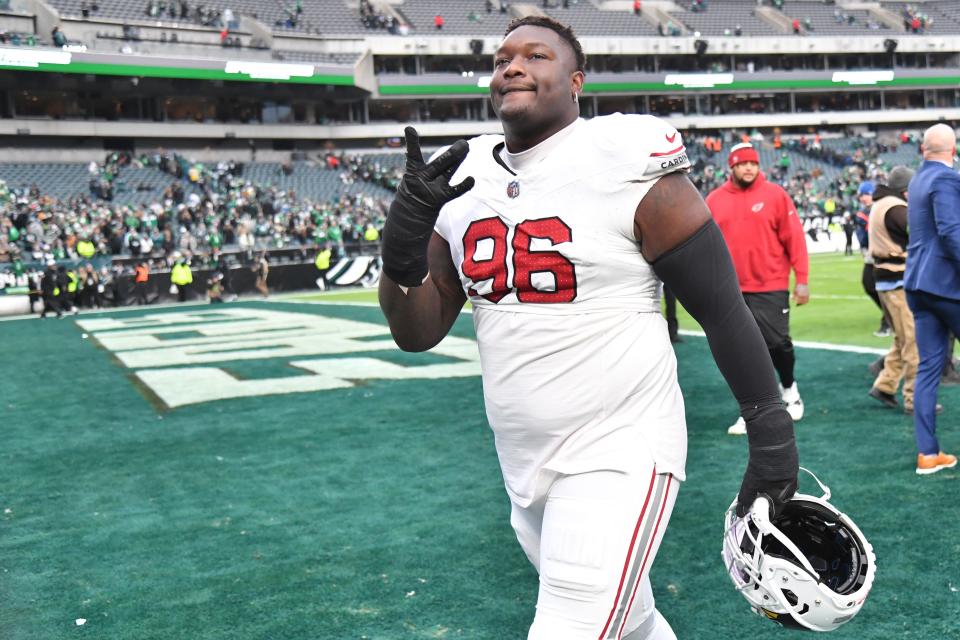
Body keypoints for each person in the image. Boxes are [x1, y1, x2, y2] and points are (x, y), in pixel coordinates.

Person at [377, 16, 798, 639]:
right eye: (503, 58)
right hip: (522, 459)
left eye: (536, 55)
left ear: (576, 82)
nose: (513, 66)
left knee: (570, 628)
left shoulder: (625, 157)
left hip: (619, 446)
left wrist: (771, 436)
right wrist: (403, 241)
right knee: (630, 623)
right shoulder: (464, 179)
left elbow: (721, 307)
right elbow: (415, 331)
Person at [705, 142, 809, 435]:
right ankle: (751, 409)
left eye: (753, 163)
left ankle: (789, 389)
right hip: (730, 288)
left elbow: (795, 239)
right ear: (732, 166)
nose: (749, 168)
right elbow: (708, 246)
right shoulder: (714, 200)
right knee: (741, 352)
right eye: (743, 163)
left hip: (771, 285)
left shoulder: (776, 195)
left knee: (778, 344)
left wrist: (801, 278)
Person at [903, 123, 960, 475]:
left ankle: (928, 453)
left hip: (917, 284)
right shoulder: (946, 180)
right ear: (952, 150)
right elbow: (951, 230)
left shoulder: (917, 179)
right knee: (929, 369)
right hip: (946, 285)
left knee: (927, 370)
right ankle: (928, 454)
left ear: (925, 149)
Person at [866, 166, 929, 414]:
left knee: (902, 338)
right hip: (897, 281)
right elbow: (919, 234)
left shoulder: (882, 203)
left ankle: (885, 385)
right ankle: (915, 399)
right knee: (914, 341)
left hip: (886, 281)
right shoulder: (896, 208)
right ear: (906, 190)